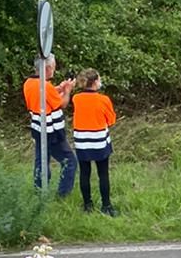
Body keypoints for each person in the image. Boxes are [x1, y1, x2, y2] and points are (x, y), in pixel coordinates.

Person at [22, 56, 75, 197]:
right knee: (69, 161)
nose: (55, 69)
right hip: (52, 130)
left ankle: (39, 192)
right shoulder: (45, 86)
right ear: (48, 68)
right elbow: (62, 103)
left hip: (37, 127)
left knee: (41, 161)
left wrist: (58, 88)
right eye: (54, 66)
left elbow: (45, 96)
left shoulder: (29, 83)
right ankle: (63, 195)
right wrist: (68, 90)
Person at [71, 69, 118, 216]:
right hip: (99, 140)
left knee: (84, 173)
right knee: (103, 174)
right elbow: (111, 120)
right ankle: (106, 206)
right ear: (95, 81)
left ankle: (87, 205)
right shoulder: (103, 99)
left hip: (82, 140)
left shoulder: (76, 98)